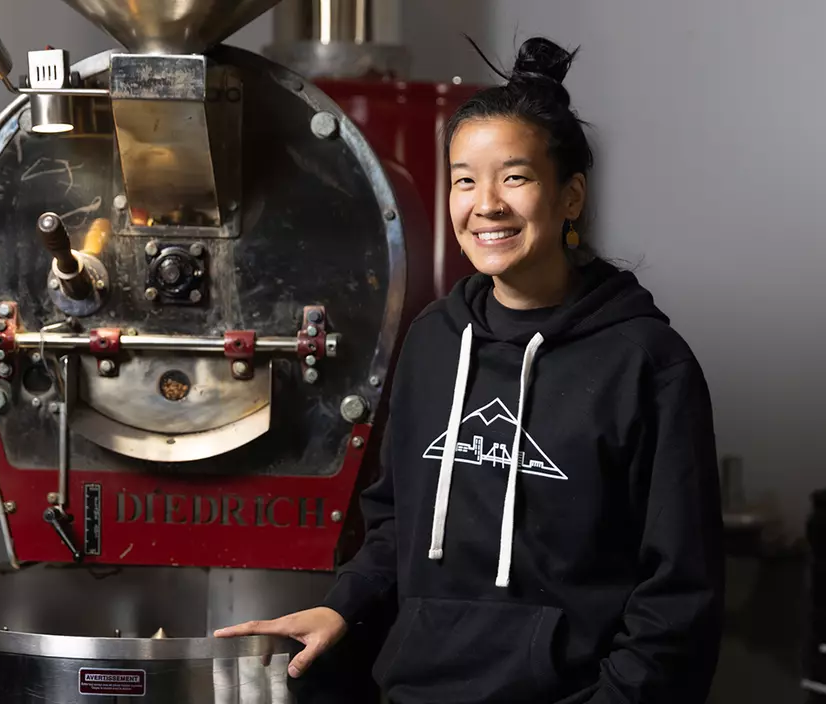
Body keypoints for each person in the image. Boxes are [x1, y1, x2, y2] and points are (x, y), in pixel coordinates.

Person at [216, 35, 726, 704]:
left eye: (514, 177)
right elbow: (396, 522)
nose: (485, 204)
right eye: (464, 179)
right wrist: (341, 607)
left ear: (570, 196)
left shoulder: (648, 365)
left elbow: (680, 598)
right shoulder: (432, 342)